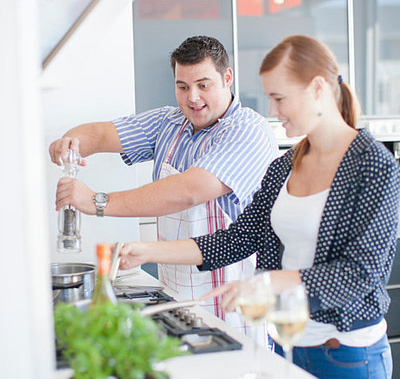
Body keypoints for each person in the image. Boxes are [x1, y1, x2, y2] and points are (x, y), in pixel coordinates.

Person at [118, 35, 400, 379]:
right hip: (285, 348)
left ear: (317, 90)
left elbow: (361, 275)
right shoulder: (283, 166)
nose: (273, 111)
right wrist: (151, 253)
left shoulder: (375, 167)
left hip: (346, 355)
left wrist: (269, 283)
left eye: (279, 98)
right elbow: (238, 238)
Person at [49, 35, 278, 332]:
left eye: (203, 85)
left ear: (227, 78)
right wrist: (70, 141)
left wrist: (97, 202)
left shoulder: (249, 131)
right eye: (182, 87)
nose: (192, 97)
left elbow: (189, 191)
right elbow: (103, 134)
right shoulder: (166, 124)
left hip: (235, 306)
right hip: (177, 299)